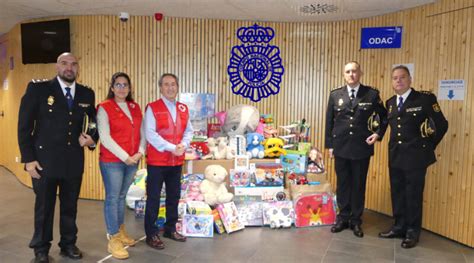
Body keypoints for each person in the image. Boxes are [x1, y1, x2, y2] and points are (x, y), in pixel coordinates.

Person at [17, 53, 97, 263]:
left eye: (73, 64)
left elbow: (93, 122)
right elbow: (24, 126)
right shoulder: (39, 89)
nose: (69, 68)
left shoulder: (86, 93)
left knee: (70, 206)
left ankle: (68, 244)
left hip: (73, 161)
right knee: (44, 206)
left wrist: (91, 139)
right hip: (44, 161)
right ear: (57, 67)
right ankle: (41, 249)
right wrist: (28, 159)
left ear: (77, 68)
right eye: (64, 63)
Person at [378, 65, 448, 248]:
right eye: (395, 78)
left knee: (413, 195)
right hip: (395, 156)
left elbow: (441, 124)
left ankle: (412, 232)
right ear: (392, 82)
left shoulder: (425, 99)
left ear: (410, 80)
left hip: (416, 158)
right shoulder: (390, 102)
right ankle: (399, 226)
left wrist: (428, 146)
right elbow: (387, 125)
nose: (398, 80)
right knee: (397, 193)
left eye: (402, 77)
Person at [325, 61, 388, 238]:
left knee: (359, 184)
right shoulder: (335, 95)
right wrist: (329, 145)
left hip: (361, 148)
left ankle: (356, 220)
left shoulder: (371, 94)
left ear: (360, 73)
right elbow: (329, 121)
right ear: (344, 74)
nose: (351, 74)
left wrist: (378, 134)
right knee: (343, 183)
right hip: (341, 147)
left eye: (354, 71)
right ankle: (343, 217)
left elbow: (384, 117)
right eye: (348, 71)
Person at [97, 72, 146, 259]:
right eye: (118, 85)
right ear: (112, 88)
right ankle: (113, 239)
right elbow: (105, 137)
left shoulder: (135, 107)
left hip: (133, 159)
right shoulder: (104, 107)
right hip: (113, 162)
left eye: (125, 85)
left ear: (130, 88)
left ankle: (120, 230)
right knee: (112, 198)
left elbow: (143, 133)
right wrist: (126, 157)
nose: (122, 88)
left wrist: (140, 152)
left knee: (121, 197)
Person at [144, 73, 193, 250]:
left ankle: (170, 229)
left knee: (174, 196)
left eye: (173, 84)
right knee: (154, 198)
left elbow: (189, 131)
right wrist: (172, 147)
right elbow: (150, 134)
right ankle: (151, 233)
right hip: (158, 162)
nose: (170, 88)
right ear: (160, 88)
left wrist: (184, 144)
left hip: (176, 162)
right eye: (166, 84)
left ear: (177, 87)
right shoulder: (152, 108)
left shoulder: (183, 108)